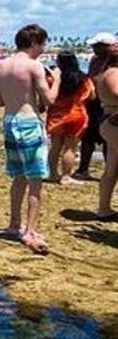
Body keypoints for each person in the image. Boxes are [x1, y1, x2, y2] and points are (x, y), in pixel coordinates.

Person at [0, 24, 60, 254]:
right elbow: (49, 99)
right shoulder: (34, 66)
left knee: (19, 176)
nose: (43, 48)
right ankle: (29, 230)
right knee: (35, 179)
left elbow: (1, 101)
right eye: (42, 43)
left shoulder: (0, 66)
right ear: (34, 43)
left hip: (10, 120)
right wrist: (57, 79)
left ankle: (14, 223)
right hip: (29, 122)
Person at [73, 34, 116, 180]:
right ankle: (83, 168)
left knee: (107, 139)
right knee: (88, 137)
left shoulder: (113, 62)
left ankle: (110, 169)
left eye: (96, 46)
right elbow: (91, 78)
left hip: (109, 104)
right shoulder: (95, 60)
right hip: (94, 102)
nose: (93, 49)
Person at [46, 51, 94, 184]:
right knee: (70, 147)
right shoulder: (82, 78)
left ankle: (53, 174)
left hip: (56, 115)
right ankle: (66, 176)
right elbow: (92, 95)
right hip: (76, 114)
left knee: (55, 146)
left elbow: (47, 95)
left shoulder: (53, 78)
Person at [95, 43, 118, 220]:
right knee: (111, 169)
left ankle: (104, 208)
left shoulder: (108, 72)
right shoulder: (113, 73)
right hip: (113, 122)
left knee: (111, 169)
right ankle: (103, 208)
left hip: (111, 122)